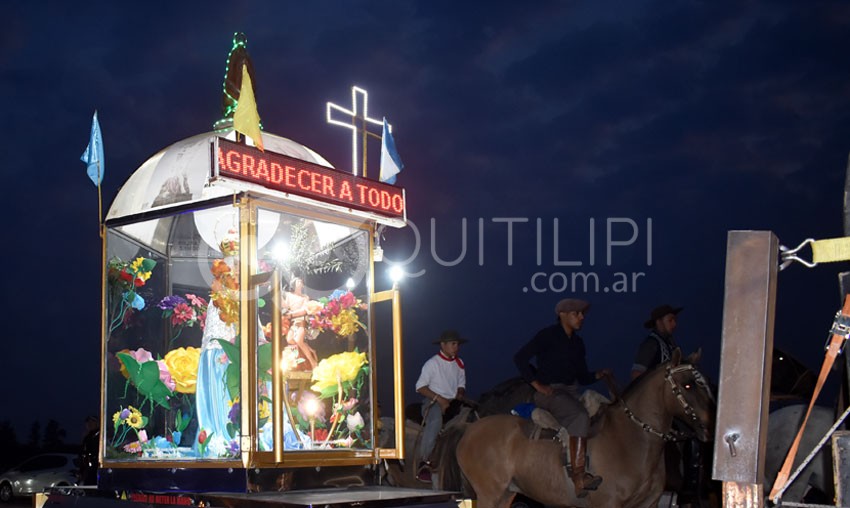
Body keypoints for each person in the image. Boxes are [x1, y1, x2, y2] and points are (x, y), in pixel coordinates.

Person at [513, 298, 611, 498]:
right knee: (580, 417)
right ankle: (579, 478)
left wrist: (598, 375)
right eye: (577, 313)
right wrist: (537, 385)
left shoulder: (577, 343)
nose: (581, 317)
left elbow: (582, 376)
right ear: (563, 315)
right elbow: (520, 358)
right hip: (550, 394)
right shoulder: (547, 335)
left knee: (605, 413)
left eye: (582, 314)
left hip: (572, 392)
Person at [414, 330, 468, 483]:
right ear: (443, 345)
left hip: (452, 402)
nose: (456, 347)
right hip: (432, 402)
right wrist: (441, 400)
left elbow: (461, 384)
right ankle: (424, 462)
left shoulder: (460, 363)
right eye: (453, 344)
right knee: (436, 421)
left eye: (457, 344)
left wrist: (459, 393)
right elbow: (420, 387)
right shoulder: (432, 363)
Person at [631, 304, 682, 380]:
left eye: (675, 320)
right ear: (659, 322)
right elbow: (636, 374)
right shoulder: (651, 344)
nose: (674, 324)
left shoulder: (670, 343)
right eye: (670, 320)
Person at [79, 415, 99, 485]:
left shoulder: (100, 435)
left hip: (96, 467)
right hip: (87, 468)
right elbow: (83, 453)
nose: (90, 424)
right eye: (88, 422)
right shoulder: (87, 437)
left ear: (96, 423)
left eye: (92, 422)